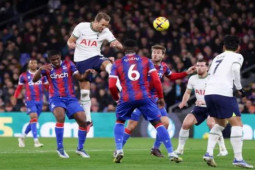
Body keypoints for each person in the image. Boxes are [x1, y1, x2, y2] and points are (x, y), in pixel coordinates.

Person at [108, 39, 182, 163]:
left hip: (126, 97)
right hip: (145, 97)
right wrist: (161, 97)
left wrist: (117, 99)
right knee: (158, 123)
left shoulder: (118, 63)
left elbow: (111, 86)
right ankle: (171, 152)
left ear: (124, 50)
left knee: (120, 121)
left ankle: (119, 149)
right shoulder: (145, 61)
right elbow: (157, 81)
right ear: (137, 50)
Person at [122, 44, 196, 157]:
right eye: (154, 52)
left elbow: (172, 77)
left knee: (165, 123)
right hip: (140, 98)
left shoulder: (164, 66)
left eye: (158, 52)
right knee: (131, 126)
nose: (155, 54)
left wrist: (186, 73)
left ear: (163, 55)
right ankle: (118, 149)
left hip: (155, 100)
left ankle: (155, 148)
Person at [203, 35, 253, 168]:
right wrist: (240, 88)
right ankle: (238, 158)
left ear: (224, 47)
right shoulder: (237, 56)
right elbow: (236, 70)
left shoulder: (216, 58)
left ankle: (208, 153)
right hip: (223, 93)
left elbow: (209, 76)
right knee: (237, 124)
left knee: (220, 123)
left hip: (209, 93)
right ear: (238, 48)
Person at [33, 50, 92, 159]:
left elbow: (79, 77)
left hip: (70, 98)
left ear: (60, 57)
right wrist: (40, 70)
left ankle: (80, 148)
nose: (55, 61)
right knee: (60, 118)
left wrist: (86, 74)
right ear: (49, 60)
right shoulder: (46, 68)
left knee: (83, 121)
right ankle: (60, 148)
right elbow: (34, 79)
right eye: (53, 60)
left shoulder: (69, 64)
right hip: (55, 98)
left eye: (57, 59)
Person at [67, 12, 123, 127]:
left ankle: (123, 89)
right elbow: (70, 40)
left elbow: (116, 43)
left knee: (108, 64)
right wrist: (71, 44)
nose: (104, 27)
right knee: (85, 92)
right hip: (81, 61)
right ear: (96, 21)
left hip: (96, 57)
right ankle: (88, 119)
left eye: (106, 25)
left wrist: (117, 44)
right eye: (102, 25)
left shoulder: (105, 31)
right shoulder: (81, 27)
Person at [175, 59, 228, 157]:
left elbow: (218, 94)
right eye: (198, 66)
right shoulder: (192, 79)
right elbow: (187, 92)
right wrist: (183, 102)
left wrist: (205, 101)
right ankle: (180, 149)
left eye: (202, 65)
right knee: (186, 124)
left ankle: (223, 149)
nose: (199, 68)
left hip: (212, 106)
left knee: (211, 124)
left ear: (207, 67)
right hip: (199, 107)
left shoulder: (213, 78)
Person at [14, 59, 48, 148]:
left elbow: (47, 87)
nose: (33, 64)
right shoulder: (23, 76)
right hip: (29, 100)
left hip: (39, 101)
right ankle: (36, 141)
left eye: (35, 63)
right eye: (31, 63)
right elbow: (19, 88)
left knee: (34, 120)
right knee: (34, 118)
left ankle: (22, 137)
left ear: (37, 64)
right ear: (28, 65)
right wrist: (15, 97)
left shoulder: (42, 75)